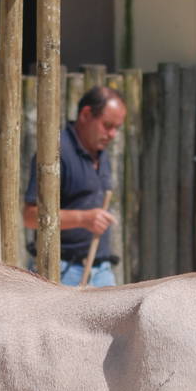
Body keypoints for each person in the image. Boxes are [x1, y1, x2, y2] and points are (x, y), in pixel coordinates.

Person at [22, 85, 127, 287]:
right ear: (86, 114)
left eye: (117, 128)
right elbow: (30, 216)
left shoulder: (101, 154)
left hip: (101, 269)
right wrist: (83, 218)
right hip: (61, 271)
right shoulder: (55, 153)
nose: (113, 134)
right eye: (107, 125)